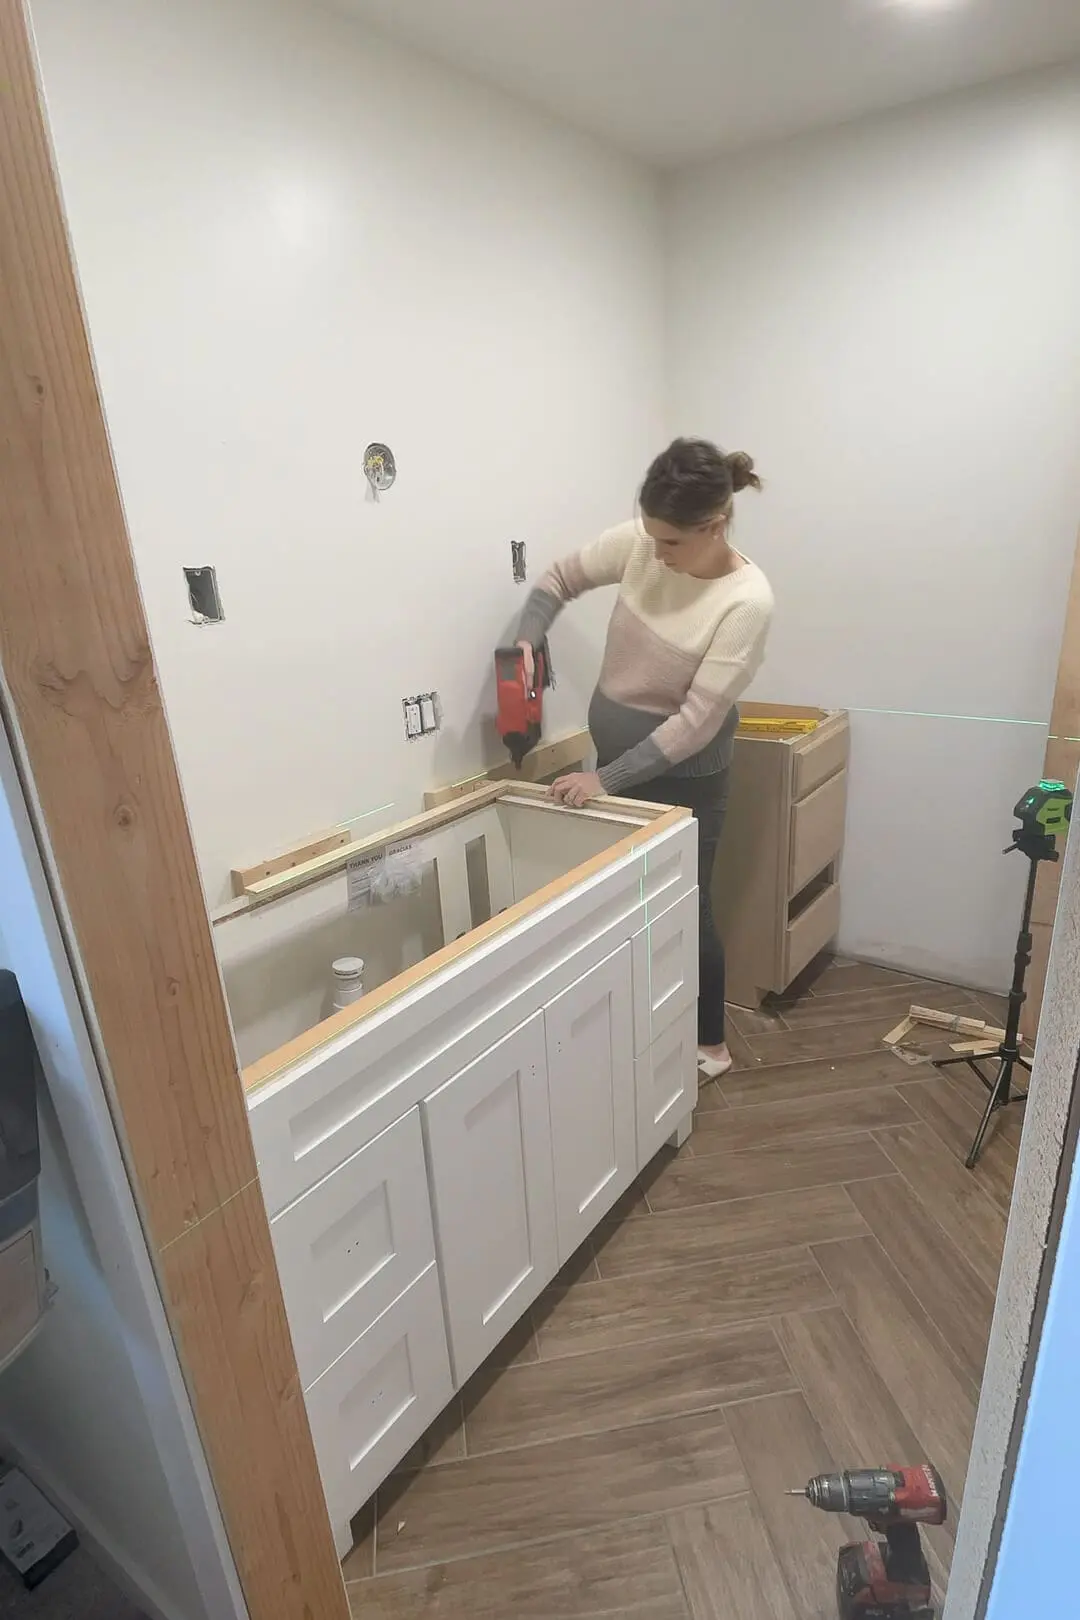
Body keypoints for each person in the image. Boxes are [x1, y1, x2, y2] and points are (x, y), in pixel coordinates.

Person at [515, 437, 774, 1077]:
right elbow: (558, 578)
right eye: (651, 536)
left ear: (715, 525)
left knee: (688, 904)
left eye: (671, 543)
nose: (656, 554)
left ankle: (711, 1046)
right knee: (629, 905)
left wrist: (606, 780)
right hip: (616, 769)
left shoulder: (746, 601)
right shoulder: (644, 541)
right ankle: (645, 1023)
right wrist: (525, 642)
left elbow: (694, 724)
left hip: (686, 781)